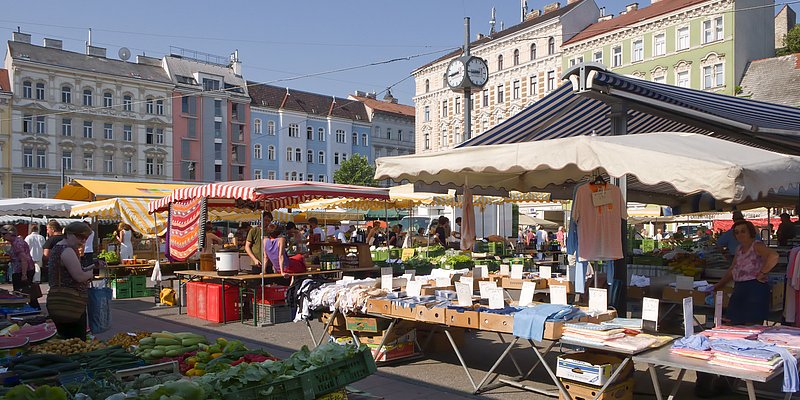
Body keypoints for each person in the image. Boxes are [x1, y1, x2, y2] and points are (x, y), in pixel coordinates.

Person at [712, 220, 778, 325]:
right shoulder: (739, 249)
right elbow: (732, 269)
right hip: (740, 288)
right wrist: (719, 285)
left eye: (743, 231)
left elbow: (774, 256)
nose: (740, 234)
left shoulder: (756, 245)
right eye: (737, 232)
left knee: (752, 325)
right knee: (733, 323)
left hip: (755, 288)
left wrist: (763, 272)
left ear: (750, 232)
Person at [47, 222, 94, 340]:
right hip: (70, 302)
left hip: (61, 300)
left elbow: (69, 271)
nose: (82, 240)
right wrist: (90, 274)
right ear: (68, 234)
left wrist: (89, 268)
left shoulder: (59, 247)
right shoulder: (66, 250)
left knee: (65, 340)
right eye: (79, 236)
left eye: (85, 238)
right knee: (75, 340)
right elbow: (79, 276)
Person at [2, 225, 39, 309]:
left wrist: (24, 274)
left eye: (4, 234)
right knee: (27, 291)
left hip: (22, 270)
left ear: (10, 233)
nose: (2, 236)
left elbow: (23, 259)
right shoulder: (17, 241)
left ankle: (28, 308)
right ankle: (33, 307)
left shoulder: (16, 243)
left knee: (23, 292)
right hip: (25, 268)